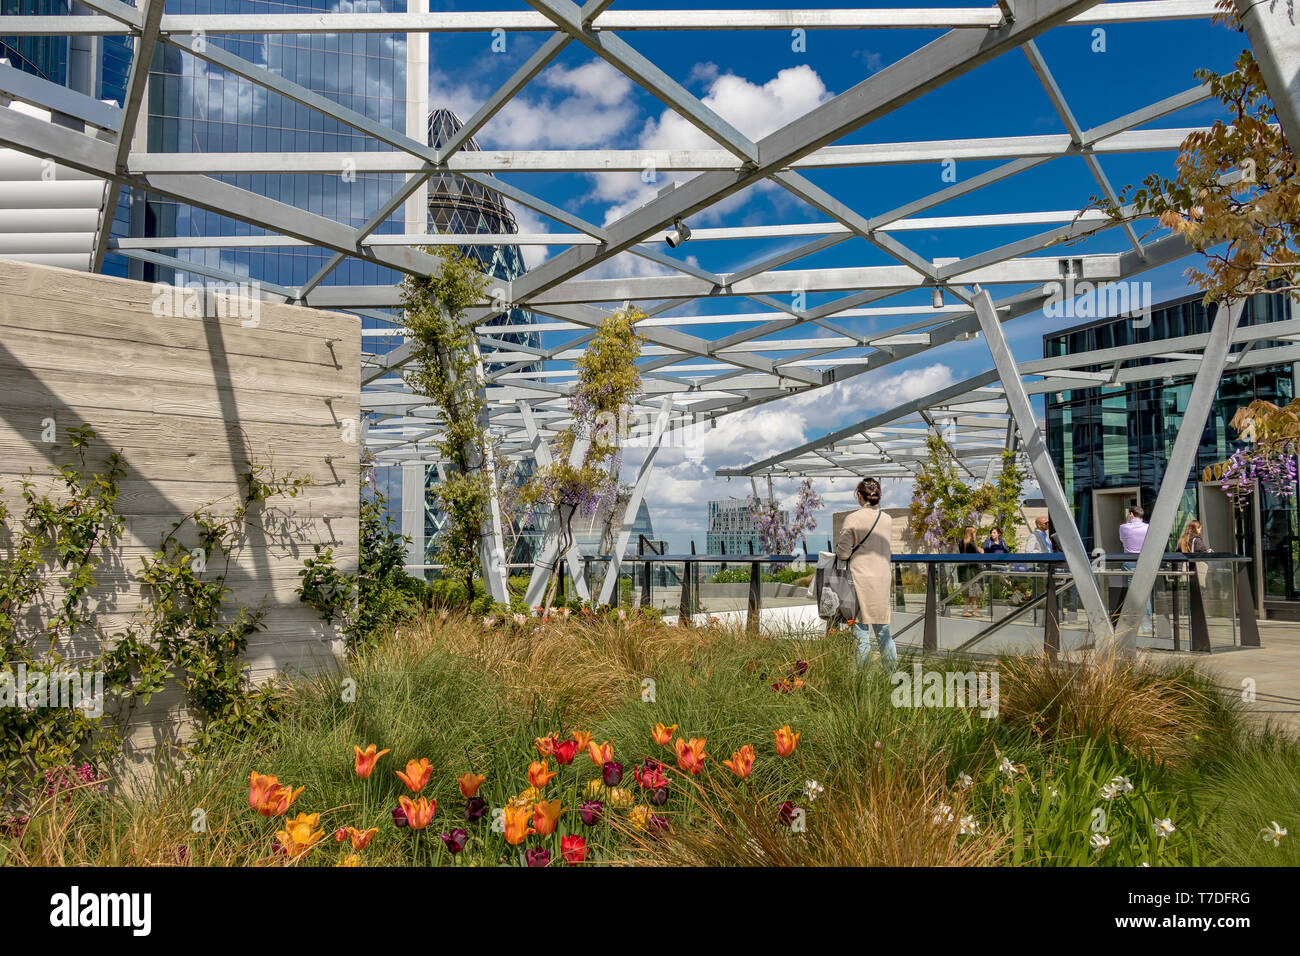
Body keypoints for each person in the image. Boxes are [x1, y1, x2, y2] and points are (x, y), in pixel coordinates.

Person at [835, 477, 895, 668]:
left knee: (861, 631)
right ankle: (893, 676)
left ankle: (863, 680)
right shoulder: (888, 520)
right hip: (883, 578)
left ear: (860, 496)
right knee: (884, 631)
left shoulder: (852, 519)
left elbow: (843, 553)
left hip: (860, 579)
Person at [1119, 504, 1153, 636]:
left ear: (1132, 514)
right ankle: (1147, 626)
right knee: (1145, 594)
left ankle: (1131, 625)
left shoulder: (1123, 527)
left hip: (1130, 563)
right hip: (1145, 562)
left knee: (1132, 594)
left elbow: (1123, 541)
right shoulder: (1148, 528)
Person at [1177, 518, 1210, 591]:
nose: (1200, 531)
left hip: (1187, 566)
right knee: (1198, 588)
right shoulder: (1196, 539)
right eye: (1199, 529)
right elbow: (1202, 552)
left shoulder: (1183, 539)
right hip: (1196, 567)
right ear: (1196, 528)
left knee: (1190, 589)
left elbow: (1178, 552)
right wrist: (1208, 552)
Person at [958, 526, 983, 617]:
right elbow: (977, 556)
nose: (975, 534)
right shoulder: (972, 544)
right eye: (975, 532)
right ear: (971, 533)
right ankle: (974, 611)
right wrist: (980, 551)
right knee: (975, 591)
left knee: (967, 591)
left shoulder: (961, 543)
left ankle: (966, 610)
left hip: (964, 570)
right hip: (972, 570)